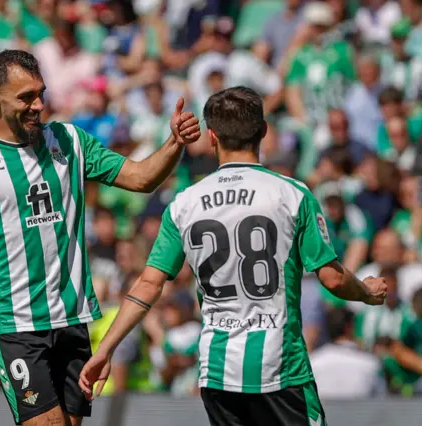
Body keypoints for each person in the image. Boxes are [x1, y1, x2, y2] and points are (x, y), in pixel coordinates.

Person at [79, 87, 387, 426]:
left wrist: (105, 348)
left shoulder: (185, 202)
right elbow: (333, 278)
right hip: (279, 366)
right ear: (264, 132)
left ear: (212, 137)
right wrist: (367, 291)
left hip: (219, 371)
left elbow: (148, 284)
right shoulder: (292, 194)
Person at [0, 49, 200, 426]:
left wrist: (174, 143)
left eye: (40, 93)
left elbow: (141, 178)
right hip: (13, 322)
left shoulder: (69, 140)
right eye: (25, 97)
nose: (38, 105)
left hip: (71, 317)